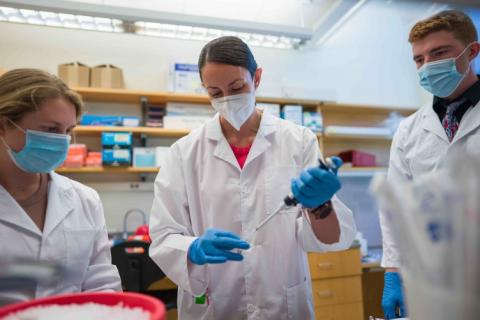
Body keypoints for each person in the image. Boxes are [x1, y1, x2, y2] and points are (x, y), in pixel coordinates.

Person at [149, 36, 356, 319]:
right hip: (213, 302)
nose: (227, 100)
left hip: (283, 303)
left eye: (236, 87)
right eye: (215, 92)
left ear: (256, 77)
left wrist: (320, 205)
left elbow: (330, 238)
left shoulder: (298, 141)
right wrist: (193, 248)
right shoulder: (183, 153)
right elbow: (163, 235)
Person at [380, 10, 480, 319]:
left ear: (472, 51)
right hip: (435, 276)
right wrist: (393, 270)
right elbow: (396, 204)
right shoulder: (409, 130)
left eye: (439, 53)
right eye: (419, 59)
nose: (427, 66)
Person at [0, 69, 121, 305]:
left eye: (68, 131)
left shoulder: (84, 199)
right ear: (4, 125)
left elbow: (102, 284)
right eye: (50, 129)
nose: (62, 140)